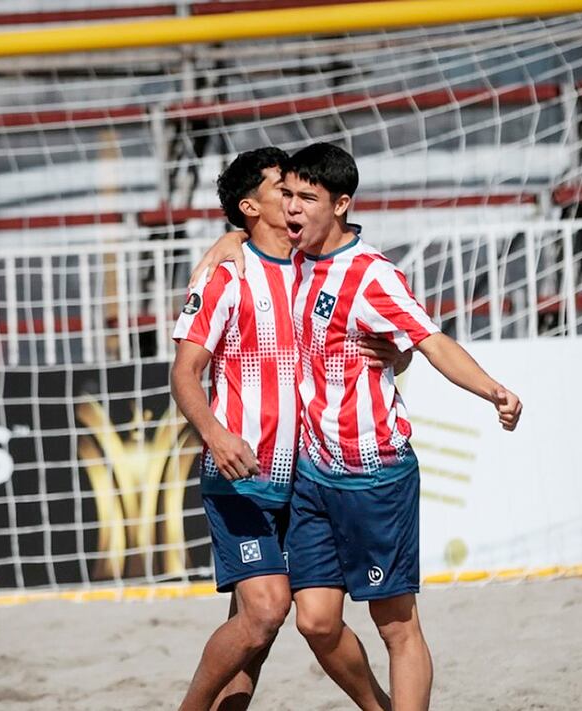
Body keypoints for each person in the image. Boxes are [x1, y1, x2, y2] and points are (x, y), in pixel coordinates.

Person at [193, 142, 522, 710]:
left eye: (306, 198)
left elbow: (428, 340)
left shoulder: (371, 275)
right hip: (310, 478)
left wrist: (492, 388)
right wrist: (227, 239)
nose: (292, 208)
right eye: (286, 195)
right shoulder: (284, 262)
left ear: (340, 204)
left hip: (375, 476)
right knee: (313, 623)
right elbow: (251, 245)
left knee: (395, 625)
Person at [171, 147, 402, 711]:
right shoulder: (227, 277)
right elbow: (183, 374)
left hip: (305, 481)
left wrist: (395, 354)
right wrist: (218, 436)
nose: (295, 196)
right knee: (266, 612)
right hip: (242, 476)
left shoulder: (316, 270)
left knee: (257, 633)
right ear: (251, 206)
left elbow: (351, 248)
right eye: (282, 188)